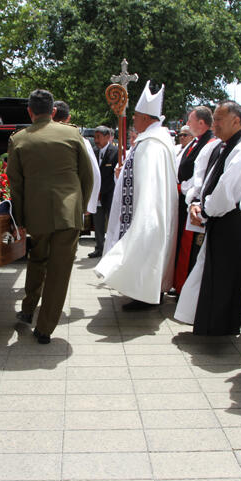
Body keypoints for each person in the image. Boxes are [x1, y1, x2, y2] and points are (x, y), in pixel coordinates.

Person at [8, 90, 94, 344]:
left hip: (36, 213)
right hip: (68, 213)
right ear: (53, 111)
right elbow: (86, 176)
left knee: (37, 260)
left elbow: (16, 185)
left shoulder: (19, 139)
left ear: (30, 111)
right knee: (59, 272)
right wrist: (81, 206)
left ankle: (27, 308)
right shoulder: (72, 134)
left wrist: (20, 219)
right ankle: (44, 328)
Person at [175, 101, 241, 335]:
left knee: (226, 276)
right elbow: (206, 178)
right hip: (218, 217)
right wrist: (197, 203)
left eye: (219, 120)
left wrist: (204, 210)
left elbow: (227, 189)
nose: (215, 125)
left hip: (232, 221)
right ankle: (210, 321)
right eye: (214, 120)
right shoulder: (224, 145)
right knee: (214, 273)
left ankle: (221, 325)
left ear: (236, 120)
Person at [95, 80, 178, 310]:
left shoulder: (152, 144)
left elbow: (149, 182)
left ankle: (144, 295)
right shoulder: (154, 140)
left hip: (146, 210)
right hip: (147, 208)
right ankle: (144, 292)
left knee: (145, 250)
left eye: (136, 115)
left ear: (146, 118)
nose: (132, 119)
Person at [174, 106, 215, 292]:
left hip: (194, 199)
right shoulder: (194, 142)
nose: (187, 124)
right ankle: (181, 284)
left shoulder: (210, 143)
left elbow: (200, 175)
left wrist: (184, 188)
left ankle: (186, 288)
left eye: (190, 120)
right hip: (184, 198)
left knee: (192, 249)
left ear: (201, 122)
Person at [52, 100, 100, 221]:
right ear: (68, 118)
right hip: (72, 203)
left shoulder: (38, 139)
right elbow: (93, 173)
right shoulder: (81, 141)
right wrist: (88, 204)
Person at [90, 125, 119, 258]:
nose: (96, 140)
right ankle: (99, 248)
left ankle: (112, 248)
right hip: (97, 195)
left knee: (112, 222)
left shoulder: (116, 152)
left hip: (110, 193)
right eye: (95, 137)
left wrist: (103, 191)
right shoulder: (93, 152)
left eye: (99, 137)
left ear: (108, 137)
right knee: (98, 222)